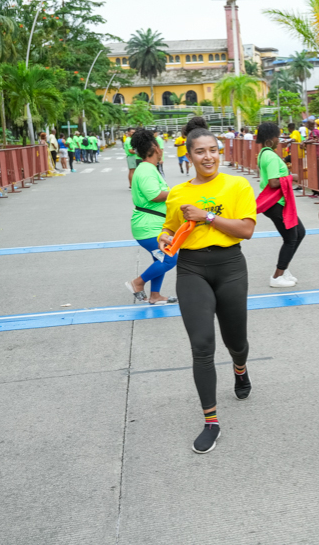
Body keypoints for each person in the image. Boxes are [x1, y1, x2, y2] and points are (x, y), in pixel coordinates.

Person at [158, 128, 256, 454]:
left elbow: (246, 229)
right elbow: (170, 226)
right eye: (200, 151)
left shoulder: (237, 185)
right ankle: (211, 421)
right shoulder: (178, 193)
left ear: (221, 151)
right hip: (191, 269)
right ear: (189, 157)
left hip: (230, 268)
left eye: (213, 150)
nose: (208, 157)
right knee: (202, 345)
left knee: (236, 342)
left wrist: (207, 216)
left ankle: (240, 369)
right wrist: (164, 236)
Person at [126, 129, 179, 305]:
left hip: (151, 224)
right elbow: (154, 195)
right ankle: (138, 283)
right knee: (170, 258)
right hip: (149, 226)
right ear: (156, 147)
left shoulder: (147, 168)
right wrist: (176, 193)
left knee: (160, 258)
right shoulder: (147, 170)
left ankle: (155, 295)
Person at [256, 122, 305, 287]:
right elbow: (273, 182)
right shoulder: (269, 155)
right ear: (270, 140)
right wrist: (293, 177)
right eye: (277, 136)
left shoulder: (265, 153)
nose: (279, 139)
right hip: (275, 203)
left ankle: (283, 270)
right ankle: (277, 277)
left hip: (277, 203)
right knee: (292, 238)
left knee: (299, 232)